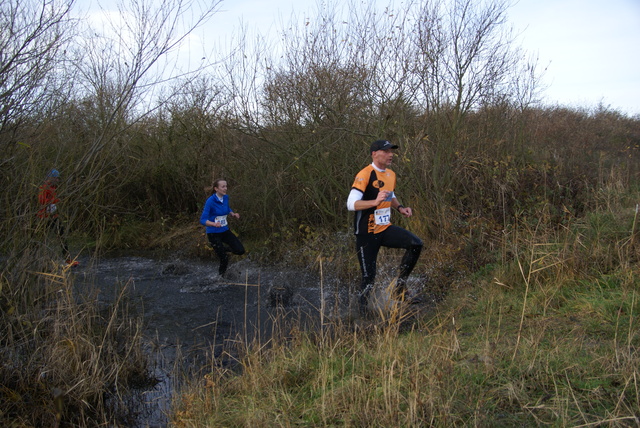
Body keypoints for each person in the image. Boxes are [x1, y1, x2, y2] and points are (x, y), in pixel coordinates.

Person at [346, 140, 423, 311]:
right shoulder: (365, 174)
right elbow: (351, 204)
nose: (391, 155)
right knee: (368, 277)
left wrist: (400, 207)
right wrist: (374, 201)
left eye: (392, 152)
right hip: (366, 233)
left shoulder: (391, 175)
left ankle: (399, 288)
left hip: (385, 228)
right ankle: (361, 315)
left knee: (416, 244)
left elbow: (390, 194)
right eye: (386, 151)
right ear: (374, 153)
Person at [200, 179, 245, 277]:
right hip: (213, 233)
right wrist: (213, 224)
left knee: (240, 250)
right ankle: (220, 278)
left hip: (225, 231)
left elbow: (227, 208)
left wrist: (233, 214)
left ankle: (221, 249)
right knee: (224, 258)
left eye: (226, 186)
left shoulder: (226, 198)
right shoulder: (210, 201)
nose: (225, 188)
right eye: (223, 187)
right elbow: (203, 220)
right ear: (216, 188)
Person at [37, 168, 78, 267]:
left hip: (53, 217)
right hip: (44, 217)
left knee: (62, 236)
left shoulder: (52, 188)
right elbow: (42, 201)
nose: (58, 180)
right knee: (40, 239)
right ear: (51, 178)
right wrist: (53, 202)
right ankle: (36, 260)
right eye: (56, 178)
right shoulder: (44, 188)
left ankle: (67, 259)